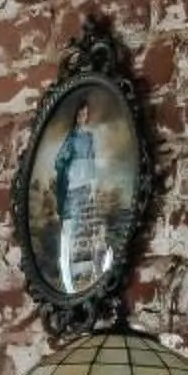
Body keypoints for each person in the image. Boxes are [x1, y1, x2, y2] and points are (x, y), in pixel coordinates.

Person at [50, 97, 105, 292]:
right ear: (75, 115)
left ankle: (96, 274)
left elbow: (92, 160)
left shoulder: (89, 137)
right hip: (73, 188)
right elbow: (59, 162)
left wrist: (92, 184)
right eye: (81, 113)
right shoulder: (71, 139)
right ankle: (67, 279)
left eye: (86, 114)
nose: (84, 117)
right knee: (70, 230)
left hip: (86, 188)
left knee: (91, 228)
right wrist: (72, 170)